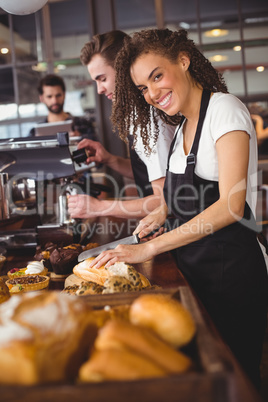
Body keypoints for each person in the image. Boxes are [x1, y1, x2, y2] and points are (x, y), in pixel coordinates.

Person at [89, 28, 268, 388]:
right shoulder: (184, 125)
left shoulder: (224, 110)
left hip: (231, 272)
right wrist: (161, 212)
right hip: (196, 270)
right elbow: (181, 197)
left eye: (157, 76)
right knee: (204, 378)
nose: (152, 94)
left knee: (236, 379)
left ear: (183, 60)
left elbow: (230, 206)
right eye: (142, 88)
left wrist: (150, 246)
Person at [67, 30, 176, 219]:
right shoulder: (138, 114)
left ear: (123, 68)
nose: (100, 90)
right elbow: (152, 173)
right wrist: (109, 159)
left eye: (102, 79)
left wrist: (99, 207)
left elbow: (165, 200)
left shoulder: (150, 120)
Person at [29, 74, 96, 140]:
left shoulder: (84, 125)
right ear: (42, 99)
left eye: (58, 95)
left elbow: (96, 149)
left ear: (64, 95)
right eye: (49, 97)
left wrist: (80, 139)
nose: (54, 101)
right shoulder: (34, 132)